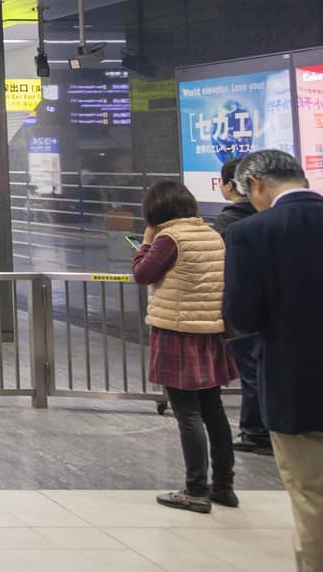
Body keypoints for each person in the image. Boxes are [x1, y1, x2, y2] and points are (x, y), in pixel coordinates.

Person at [226, 150, 323, 571]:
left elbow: (243, 317)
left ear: (257, 185)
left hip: (295, 387)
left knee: (312, 498)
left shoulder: (252, 232)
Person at [131, 179, 239, 514]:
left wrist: (145, 243)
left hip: (177, 332)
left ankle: (195, 490)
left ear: (156, 210)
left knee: (187, 413)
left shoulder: (169, 238)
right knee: (213, 410)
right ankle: (223, 485)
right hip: (208, 331)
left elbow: (142, 274)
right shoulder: (211, 234)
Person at [212, 158, 269, 456]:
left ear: (231, 185)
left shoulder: (229, 221)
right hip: (275, 309)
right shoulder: (270, 217)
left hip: (242, 309)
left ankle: (256, 432)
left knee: (250, 370)